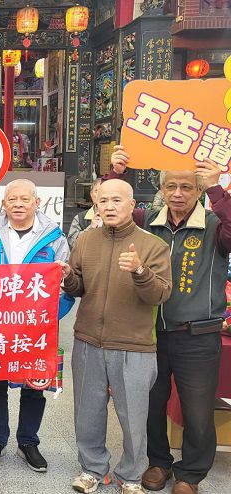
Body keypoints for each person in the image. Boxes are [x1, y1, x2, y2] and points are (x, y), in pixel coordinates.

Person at [109, 146, 231, 494]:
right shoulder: (146, 221)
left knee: (197, 409)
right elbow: (111, 212)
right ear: (161, 189)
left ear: (198, 190)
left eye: (187, 187)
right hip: (150, 333)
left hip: (198, 335)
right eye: (171, 186)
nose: (178, 193)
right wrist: (117, 173)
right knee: (150, 402)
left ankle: (190, 474)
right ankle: (158, 462)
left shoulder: (215, 225)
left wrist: (216, 188)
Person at [58, 178, 172, 494]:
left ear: (132, 205)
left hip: (134, 345)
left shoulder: (152, 245)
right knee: (87, 412)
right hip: (88, 340)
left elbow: (161, 294)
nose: (109, 206)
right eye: (103, 200)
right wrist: (67, 277)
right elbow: (79, 287)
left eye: (117, 200)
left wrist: (140, 271)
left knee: (134, 416)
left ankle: (131, 475)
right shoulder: (85, 240)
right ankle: (91, 469)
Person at [0, 179, 73, 473]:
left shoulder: (54, 238)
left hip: (35, 327)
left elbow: (64, 287)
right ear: (3, 203)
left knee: (35, 385)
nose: (18, 204)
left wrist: (48, 318)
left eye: (25, 199)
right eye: (12, 199)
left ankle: (28, 442)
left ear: (37, 203)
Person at [67, 178, 103, 249]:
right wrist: (90, 228)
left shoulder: (118, 216)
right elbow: (72, 242)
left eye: (103, 191)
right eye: (96, 191)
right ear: (91, 194)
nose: (100, 195)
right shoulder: (80, 218)